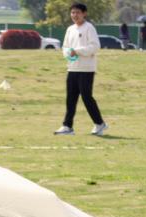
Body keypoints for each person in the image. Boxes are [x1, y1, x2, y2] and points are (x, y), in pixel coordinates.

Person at [54, 2, 106, 137]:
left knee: (86, 97)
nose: (74, 15)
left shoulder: (89, 28)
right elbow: (65, 47)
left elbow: (95, 46)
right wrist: (68, 54)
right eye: (72, 12)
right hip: (72, 68)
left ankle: (99, 123)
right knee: (70, 98)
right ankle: (67, 126)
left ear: (84, 14)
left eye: (77, 12)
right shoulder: (70, 29)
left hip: (86, 69)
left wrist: (77, 51)